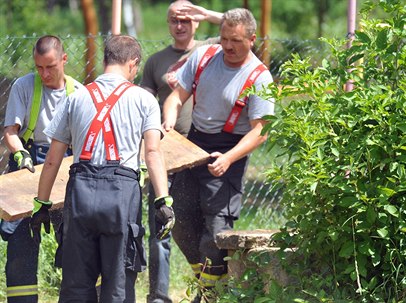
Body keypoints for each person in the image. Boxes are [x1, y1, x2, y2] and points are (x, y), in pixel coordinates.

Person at [30, 35, 174, 303]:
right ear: (133, 64)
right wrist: (163, 200)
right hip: (121, 195)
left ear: (105, 59)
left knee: (76, 283)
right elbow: (152, 152)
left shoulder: (76, 97)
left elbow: (52, 158)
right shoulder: (144, 100)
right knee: (118, 281)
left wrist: (42, 204)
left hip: (80, 195)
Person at [162, 8, 275, 302]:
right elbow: (176, 97)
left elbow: (260, 131)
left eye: (235, 40)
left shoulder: (259, 77)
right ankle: (209, 285)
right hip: (194, 146)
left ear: (252, 39)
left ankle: (212, 296)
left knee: (215, 235)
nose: (227, 46)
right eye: (224, 38)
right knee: (180, 222)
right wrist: (169, 121)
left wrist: (228, 158)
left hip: (230, 151)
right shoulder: (204, 57)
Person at [140, 1, 222, 302]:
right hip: (168, 157)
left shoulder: (213, 48)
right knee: (165, 224)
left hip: (206, 151)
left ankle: (209, 289)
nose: (180, 25)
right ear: (167, 23)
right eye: (175, 19)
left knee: (205, 225)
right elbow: (144, 106)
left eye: (187, 20)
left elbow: (242, 25)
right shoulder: (155, 62)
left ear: (197, 23)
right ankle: (159, 295)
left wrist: (209, 14)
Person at [1, 35, 82, 303]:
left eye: (50, 67)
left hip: (66, 167)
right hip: (29, 166)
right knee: (20, 245)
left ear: (64, 60)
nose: (44, 74)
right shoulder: (24, 86)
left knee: (75, 241)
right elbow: (10, 132)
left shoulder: (80, 94)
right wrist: (21, 153)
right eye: (39, 68)